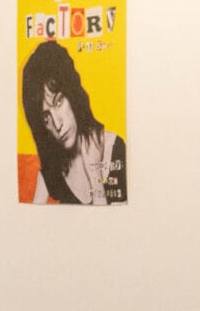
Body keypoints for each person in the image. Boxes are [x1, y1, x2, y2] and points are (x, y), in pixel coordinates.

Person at [22, 39, 127, 205]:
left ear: (72, 93)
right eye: (46, 117)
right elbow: (28, 226)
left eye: (58, 102)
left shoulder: (115, 148)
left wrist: (94, 172)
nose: (57, 124)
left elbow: (114, 227)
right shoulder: (51, 173)